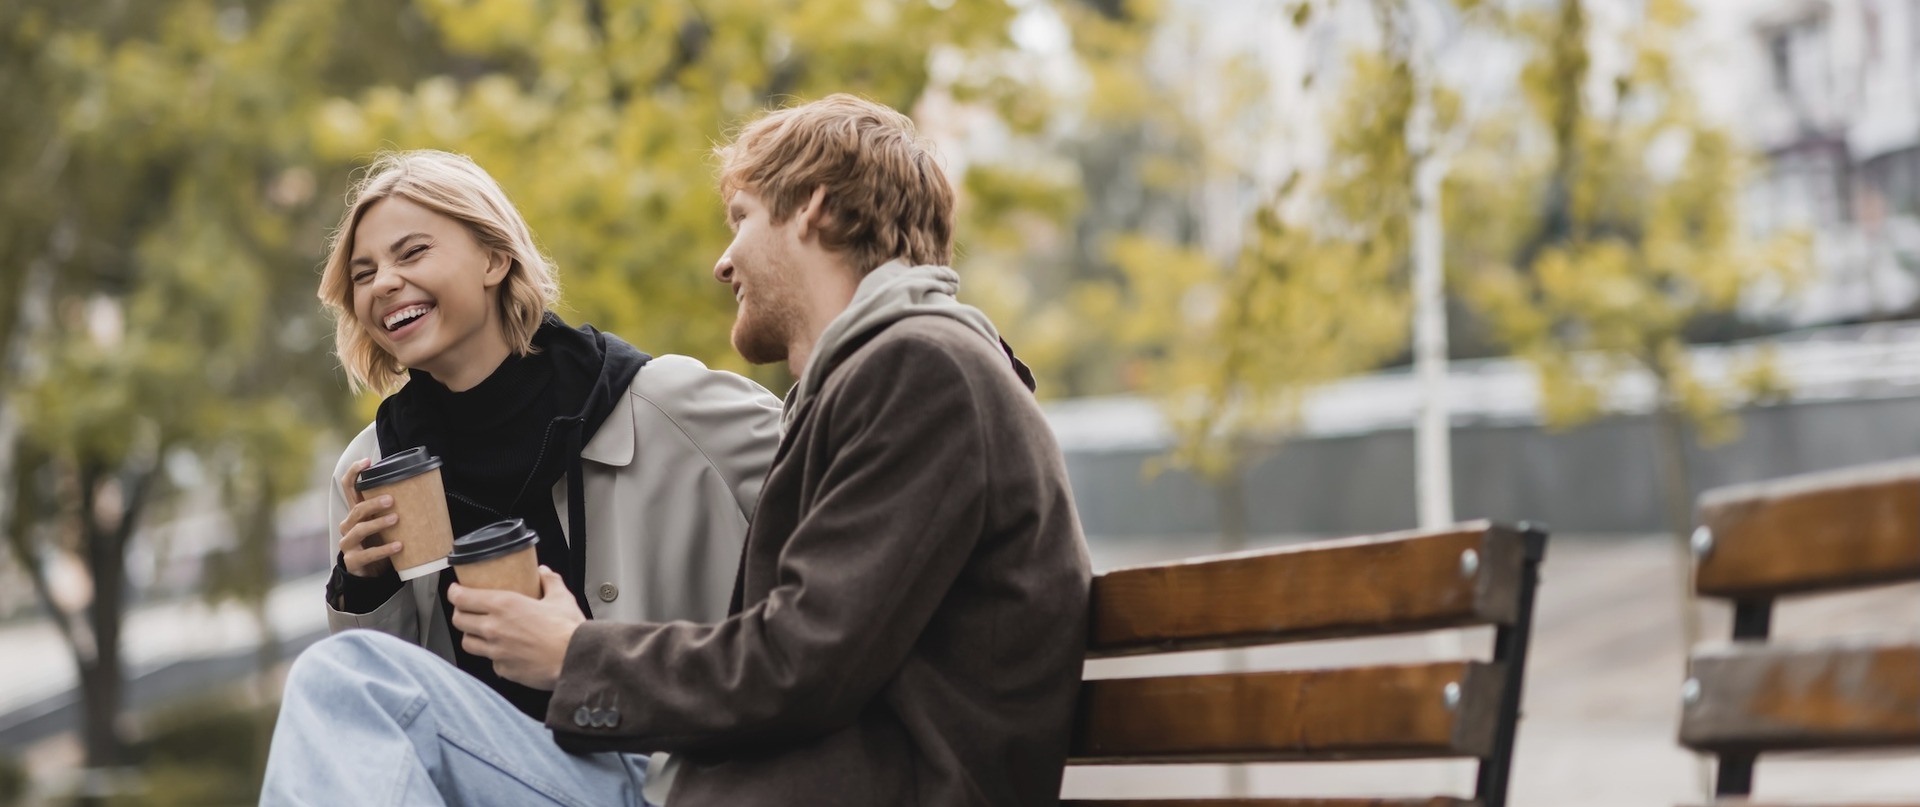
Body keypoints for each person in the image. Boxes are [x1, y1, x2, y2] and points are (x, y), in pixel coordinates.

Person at [262, 96, 1091, 807]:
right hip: (700, 775)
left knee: (349, 684)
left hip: (727, 781)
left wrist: (575, 653)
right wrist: (363, 585)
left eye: (742, 219)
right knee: (354, 678)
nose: (722, 259)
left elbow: (801, 660)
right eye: (364, 271)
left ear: (815, 209)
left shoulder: (921, 370)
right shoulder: (888, 378)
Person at [273, 149, 782, 803]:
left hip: (671, 779)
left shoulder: (664, 405)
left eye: (412, 253)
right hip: (503, 779)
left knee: (335, 675)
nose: (384, 283)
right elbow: (389, 733)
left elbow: (846, 483)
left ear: (493, 258)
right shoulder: (371, 467)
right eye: (364, 272)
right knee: (340, 677)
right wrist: (364, 588)